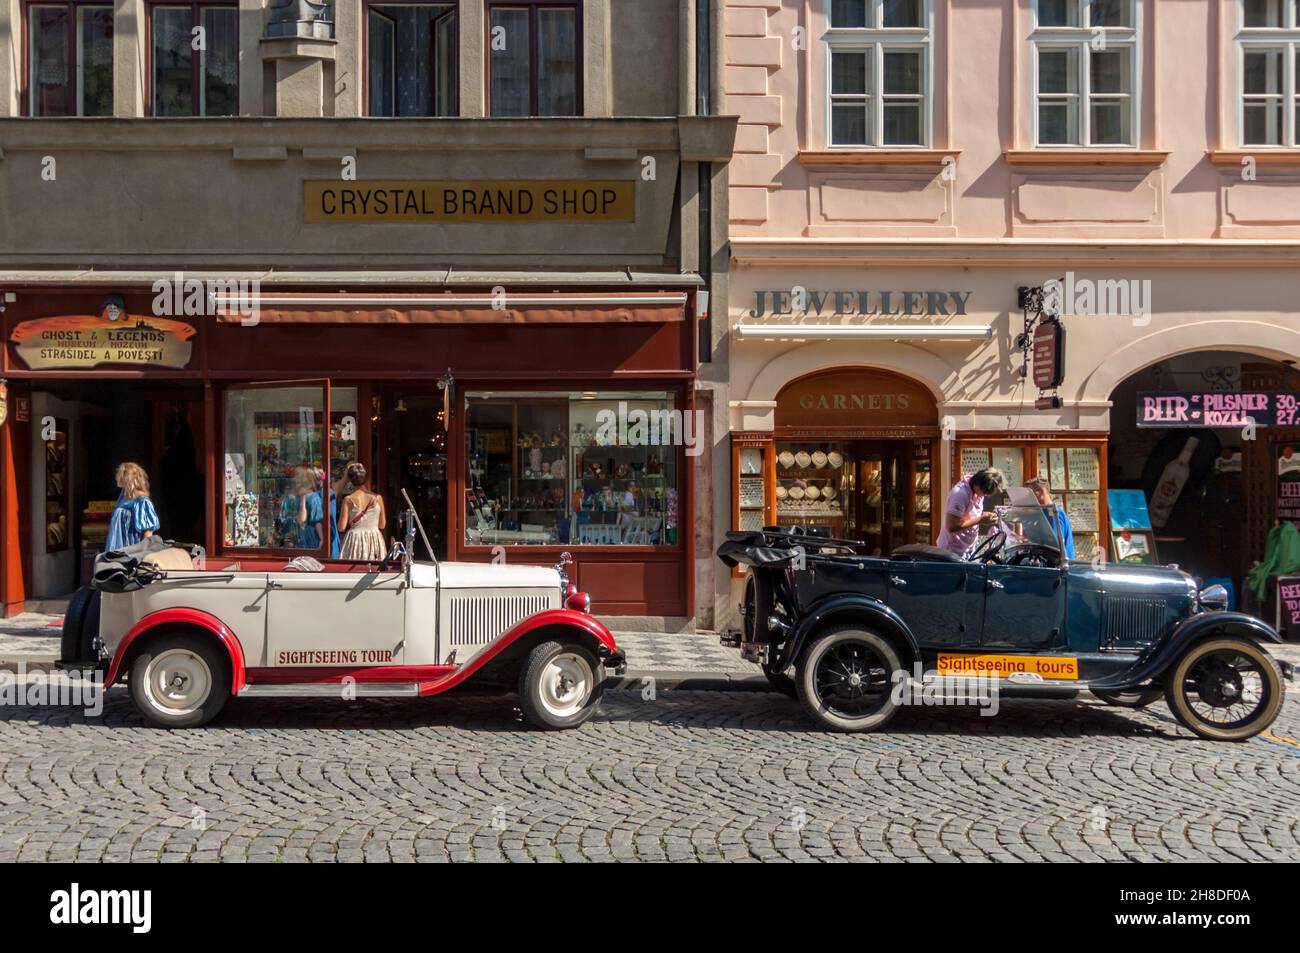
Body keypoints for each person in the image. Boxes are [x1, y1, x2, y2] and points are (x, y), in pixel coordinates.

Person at [935, 468, 1005, 556]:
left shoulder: (977, 492)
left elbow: (968, 515)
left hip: (969, 548)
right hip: (953, 550)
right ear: (979, 485)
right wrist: (980, 520)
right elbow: (951, 526)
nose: (985, 496)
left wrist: (985, 516)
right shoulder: (960, 494)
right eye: (985, 493)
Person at [105, 462, 161, 552]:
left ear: (127, 478)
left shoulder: (142, 501)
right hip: (116, 548)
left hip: (131, 550)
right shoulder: (123, 497)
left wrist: (143, 554)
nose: (116, 477)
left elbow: (148, 532)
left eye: (119, 474)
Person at [338, 462, 386, 561]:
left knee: (353, 571)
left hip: (354, 541)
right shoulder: (378, 498)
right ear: (365, 478)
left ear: (350, 480)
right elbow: (382, 525)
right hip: (373, 539)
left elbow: (341, 528)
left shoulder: (348, 499)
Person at [1026, 476, 1075, 560]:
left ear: (1040, 492)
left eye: (1030, 494)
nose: (1027, 498)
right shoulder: (1040, 512)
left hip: (1060, 566)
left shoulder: (1055, 512)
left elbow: (1054, 544)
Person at [295, 468, 325, 551]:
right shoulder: (314, 498)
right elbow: (317, 521)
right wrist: (322, 538)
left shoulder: (298, 497)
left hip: (300, 533)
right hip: (311, 534)